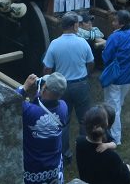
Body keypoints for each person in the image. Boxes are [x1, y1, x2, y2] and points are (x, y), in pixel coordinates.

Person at [43, 12, 94, 164]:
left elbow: (47, 69)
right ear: (74, 26)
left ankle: (65, 154)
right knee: (85, 119)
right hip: (81, 84)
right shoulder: (83, 42)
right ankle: (85, 151)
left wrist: (47, 83)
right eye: (77, 24)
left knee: (63, 122)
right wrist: (86, 75)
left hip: (61, 87)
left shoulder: (55, 44)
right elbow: (91, 63)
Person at [17, 72, 68, 184]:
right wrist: (36, 94)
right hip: (54, 167)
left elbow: (12, 100)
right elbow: (40, 107)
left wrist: (24, 87)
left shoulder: (29, 111)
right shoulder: (64, 107)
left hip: (33, 168)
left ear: (44, 88)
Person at [102, 10, 130, 145]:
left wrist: (104, 50)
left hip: (115, 78)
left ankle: (115, 138)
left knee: (113, 109)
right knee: (118, 103)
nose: (113, 23)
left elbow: (106, 57)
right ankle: (114, 133)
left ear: (121, 24)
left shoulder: (115, 37)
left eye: (115, 21)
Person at [76, 106, 130, 184]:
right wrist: (127, 168)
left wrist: (108, 145)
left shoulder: (79, 143)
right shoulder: (112, 157)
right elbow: (126, 180)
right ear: (106, 126)